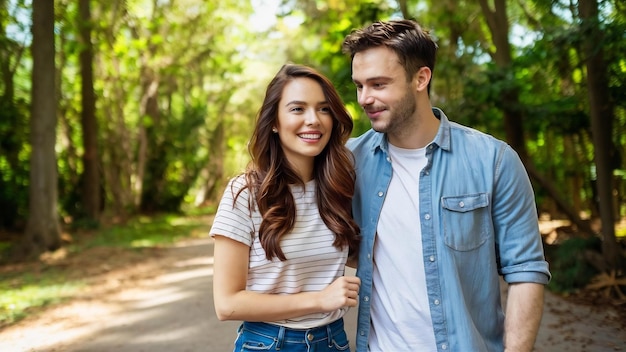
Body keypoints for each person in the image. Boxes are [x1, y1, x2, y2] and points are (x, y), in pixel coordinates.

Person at [341, 19, 551, 351]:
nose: (365, 98)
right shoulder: (348, 162)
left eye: (378, 84)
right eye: (359, 85)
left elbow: (526, 270)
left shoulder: (493, 160)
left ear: (421, 78)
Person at [210, 63, 361, 352]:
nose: (313, 120)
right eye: (297, 109)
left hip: (333, 342)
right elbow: (227, 304)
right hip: (269, 343)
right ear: (275, 122)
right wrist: (318, 300)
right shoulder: (245, 194)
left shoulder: (340, 186)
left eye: (323, 109)